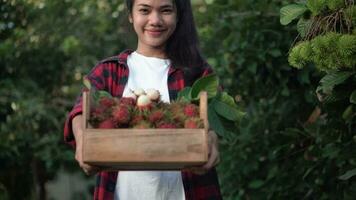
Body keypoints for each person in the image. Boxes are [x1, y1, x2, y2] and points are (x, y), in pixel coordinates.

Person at [63, 0, 222, 199]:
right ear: (130, 15)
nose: (155, 20)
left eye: (165, 10)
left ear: (178, 15)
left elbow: (215, 124)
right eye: (144, 10)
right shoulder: (109, 71)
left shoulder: (198, 72)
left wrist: (212, 140)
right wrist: (83, 140)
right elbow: (79, 111)